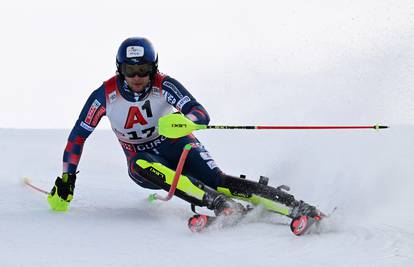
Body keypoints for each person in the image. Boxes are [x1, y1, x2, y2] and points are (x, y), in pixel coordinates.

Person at [48, 37, 318, 228]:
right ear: (120, 69)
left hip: (176, 143)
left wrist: (186, 121)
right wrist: (67, 178)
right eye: (131, 70)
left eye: (144, 69)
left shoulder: (164, 84)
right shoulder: (104, 95)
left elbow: (200, 113)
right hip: (142, 159)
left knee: (217, 178)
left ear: (153, 67)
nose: (138, 77)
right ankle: (218, 203)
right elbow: (77, 137)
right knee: (141, 165)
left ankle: (295, 206)